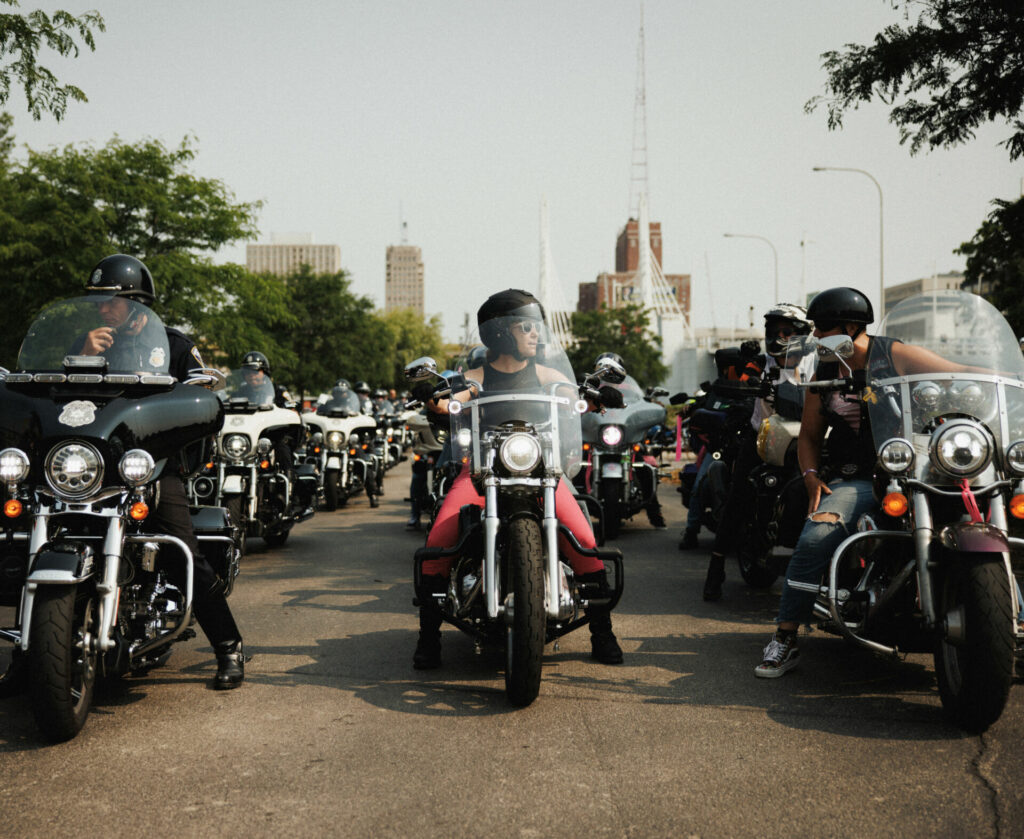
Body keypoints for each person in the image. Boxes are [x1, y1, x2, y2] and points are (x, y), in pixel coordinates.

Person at [9, 254, 244, 691]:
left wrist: (198, 388)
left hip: (147, 466)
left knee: (184, 552)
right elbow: (57, 400)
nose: (103, 309)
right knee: (19, 538)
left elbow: (198, 386)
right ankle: (32, 653)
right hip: (87, 465)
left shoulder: (172, 344)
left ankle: (228, 647)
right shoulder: (89, 339)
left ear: (137, 302)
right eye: (98, 301)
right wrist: (80, 354)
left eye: (112, 300)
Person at [755, 287, 971, 677]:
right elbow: (808, 435)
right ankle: (785, 637)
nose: (816, 336)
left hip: (916, 471)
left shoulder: (893, 354)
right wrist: (810, 478)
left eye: (821, 328)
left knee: (977, 520)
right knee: (815, 537)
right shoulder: (823, 370)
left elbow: (958, 373)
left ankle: (1012, 621)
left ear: (851, 327)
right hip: (857, 477)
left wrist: (1004, 377)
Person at [413, 288, 623, 669]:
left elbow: (574, 396)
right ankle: (428, 638)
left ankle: (602, 633)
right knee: (438, 541)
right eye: (528, 326)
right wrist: (432, 398)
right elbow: (446, 400)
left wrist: (595, 396)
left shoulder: (548, 375)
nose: (536, 335)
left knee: (586, 542)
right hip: (480, 471)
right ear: (502, 332)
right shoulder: (473, 377)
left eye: (536, 327)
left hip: (541, 469)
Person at [701, 304, 813, 601]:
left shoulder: (817, 364)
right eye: (773, 332)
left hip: (805, 439)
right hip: (763, 437)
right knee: (739, 496)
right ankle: (716, 567)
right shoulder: (760, 364)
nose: (778, 337)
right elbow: (738, 379)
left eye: (786, 332)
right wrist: (747, 381)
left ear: (803, 335)